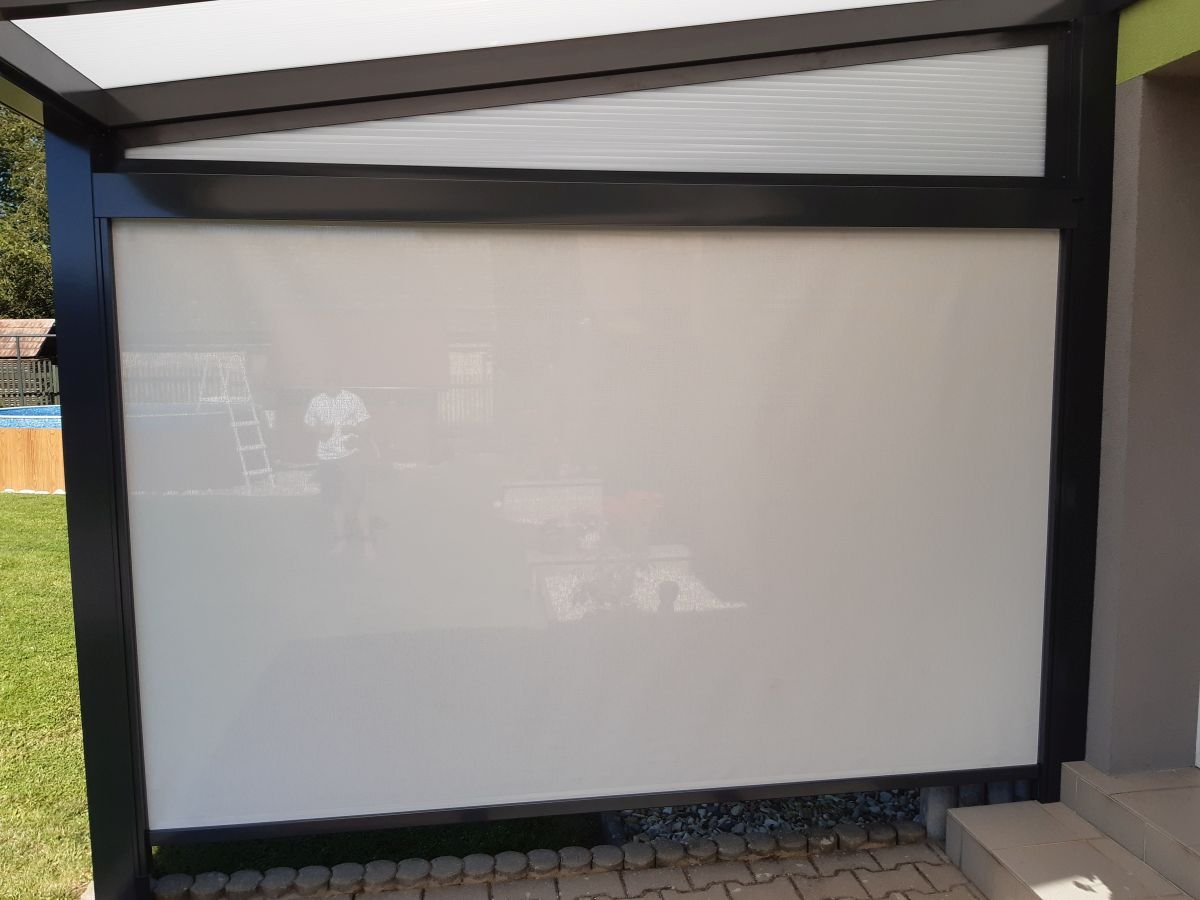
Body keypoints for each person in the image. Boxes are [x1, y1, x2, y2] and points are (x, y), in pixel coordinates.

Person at [304, 386, 375, 558]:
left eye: (335, 378)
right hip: (327, 458)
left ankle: (367, 542)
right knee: (334, 500)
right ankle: (341, 539)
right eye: (328, 379)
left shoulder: (352, 399)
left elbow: (366, 424)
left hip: (351, 455)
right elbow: (307, 424)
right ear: (324, 381)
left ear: (340, 380)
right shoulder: (317, 401)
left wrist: (353, 429)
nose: (332, 382)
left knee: (359, 497)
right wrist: (319, 430)